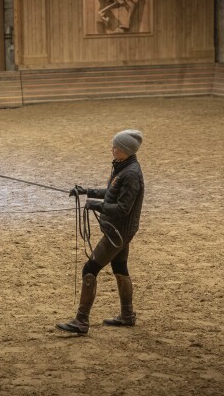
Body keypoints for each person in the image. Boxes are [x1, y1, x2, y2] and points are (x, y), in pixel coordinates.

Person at [57, 129, 144, 335]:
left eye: (115, 146)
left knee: (90, 268)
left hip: (118, 232)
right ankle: (127, 315)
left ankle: (81, 321)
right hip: (121, 231)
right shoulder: (124, 168)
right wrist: (86, 191)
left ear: (124, 150)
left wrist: (94, 205)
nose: (112, 149)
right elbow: (111, 193)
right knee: (120, 268)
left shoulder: (130, 174)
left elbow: (123, 208)